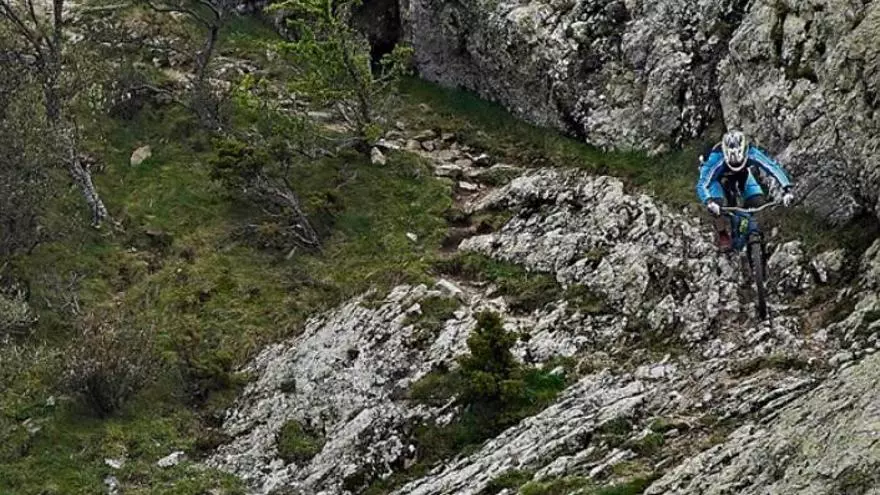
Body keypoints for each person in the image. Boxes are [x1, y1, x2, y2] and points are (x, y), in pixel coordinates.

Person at [696, 130, 794, 251]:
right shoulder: (716, 158)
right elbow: (702, 184)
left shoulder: (752, 152)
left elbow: (772, 167)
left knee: (757, 201)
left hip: (743, 175)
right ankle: (723, 234)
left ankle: (755, 232)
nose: (736, 164)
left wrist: (787, 189)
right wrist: (709, 201)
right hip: (716, 178)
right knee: (718, 204)